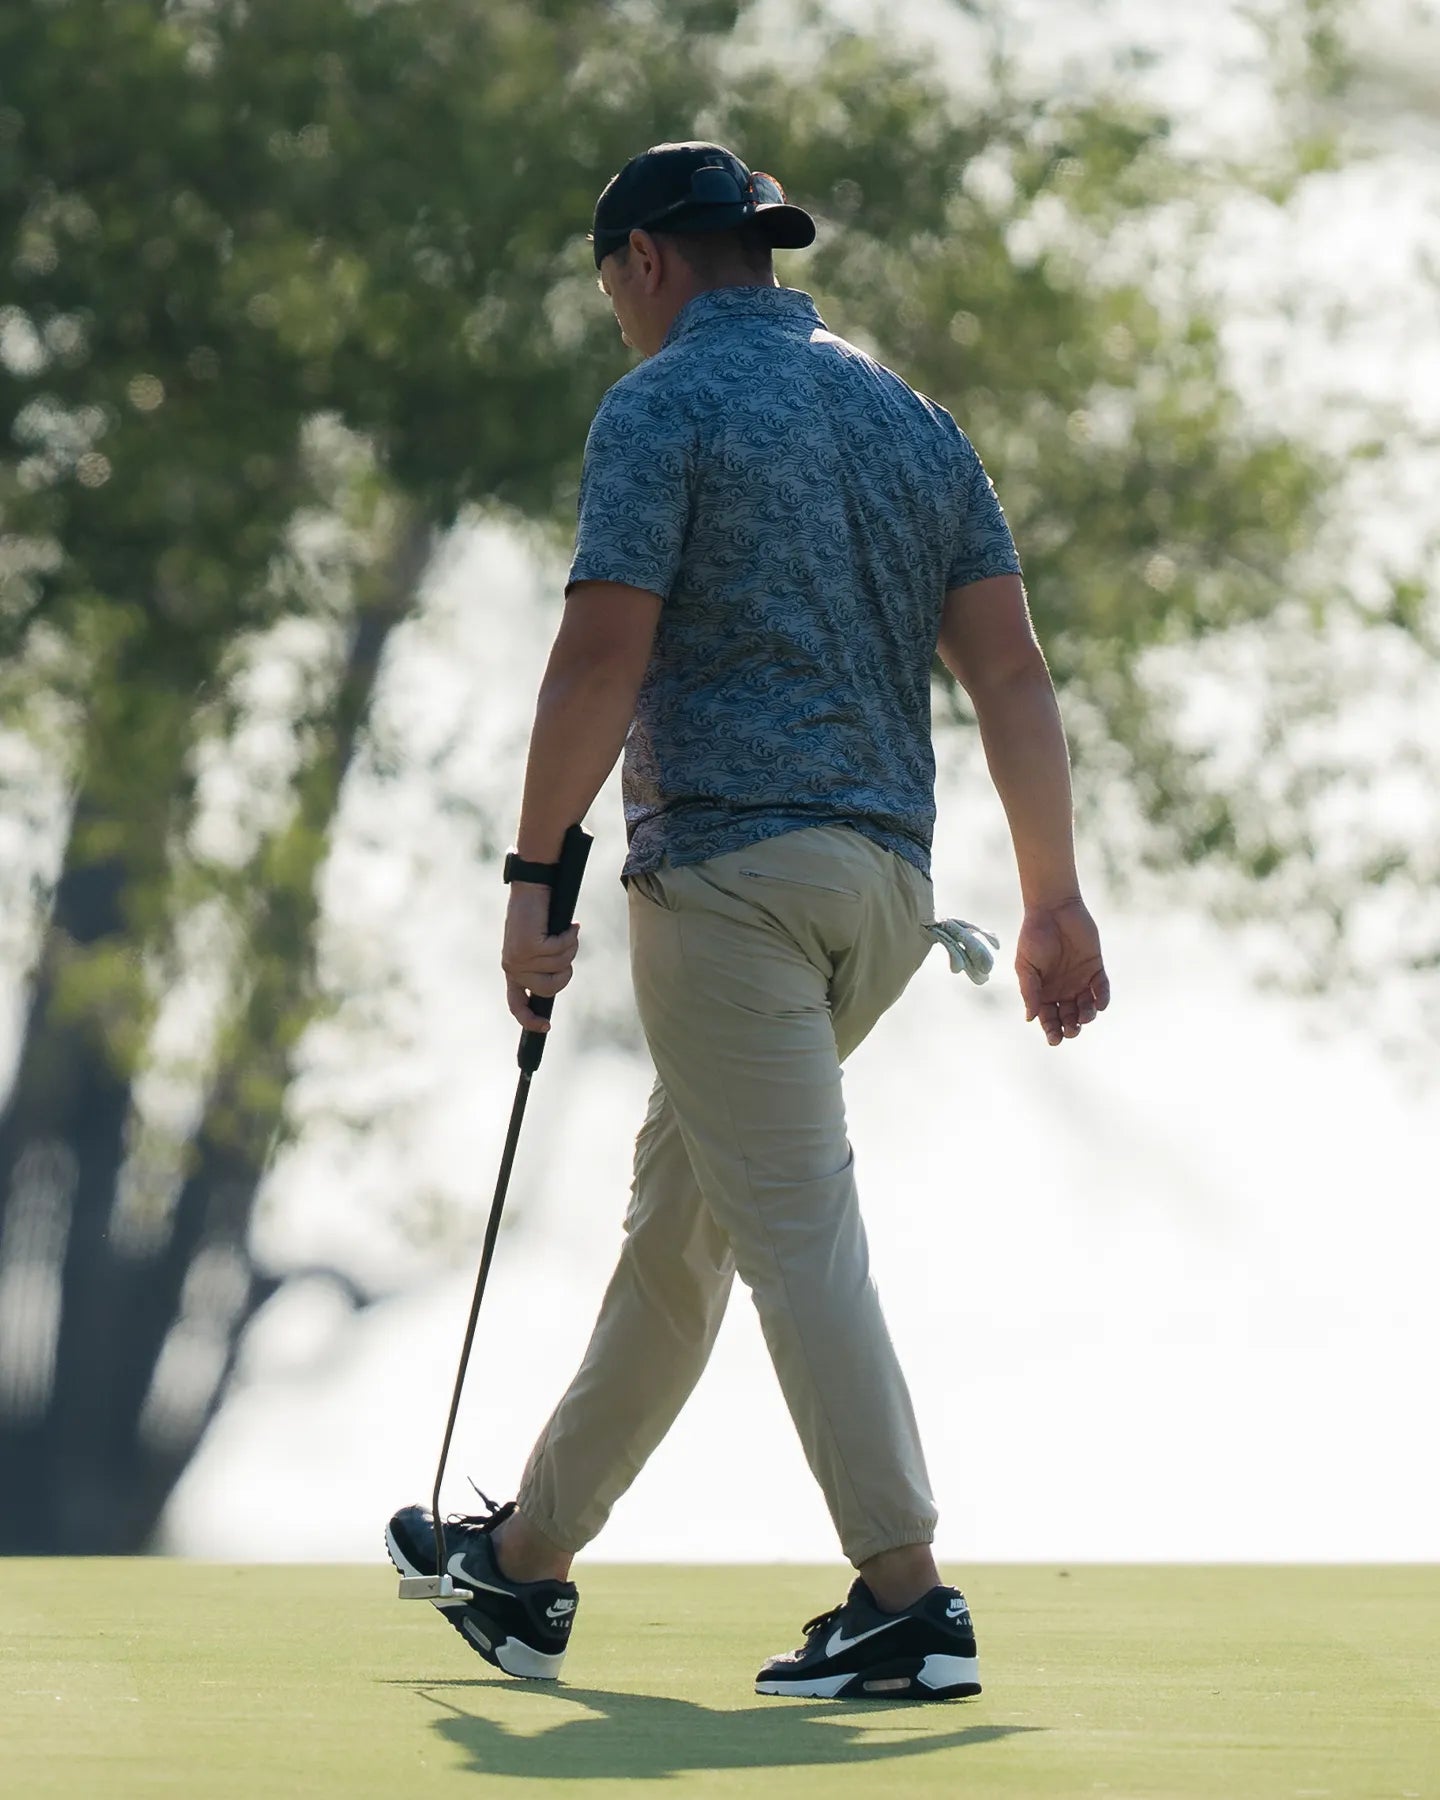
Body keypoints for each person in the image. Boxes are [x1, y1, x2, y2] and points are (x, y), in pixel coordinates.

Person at [387, 141, 1109, 1701]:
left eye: (610, 290)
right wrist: (1052, 899)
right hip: (885, 901)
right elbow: (1013, 679)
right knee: (686, 1230)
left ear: (644, 261)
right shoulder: (913, 418)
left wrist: (530, 885)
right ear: (758, 254)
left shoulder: (661, 405)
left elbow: (598, 660)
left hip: (729, 889)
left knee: (792, 1233)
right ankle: (523, 1571)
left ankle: (907, 1600)